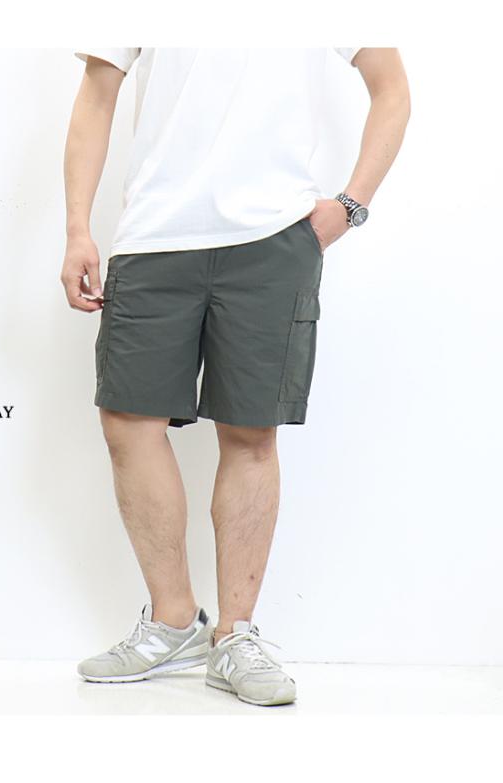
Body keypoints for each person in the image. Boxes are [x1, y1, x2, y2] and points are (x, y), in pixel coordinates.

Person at [61, 47, 410, 706]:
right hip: (153, 235)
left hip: (272, 236)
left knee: (251, 432)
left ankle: (235, 635)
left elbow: (391, 87)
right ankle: (173, 622)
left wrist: (350, 205)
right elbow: (97, 94)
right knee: (128, 421)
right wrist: (78, 227)